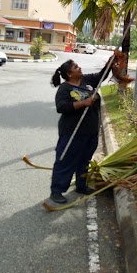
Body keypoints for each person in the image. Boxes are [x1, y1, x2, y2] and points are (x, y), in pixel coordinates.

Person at [49, 57, 113, 204]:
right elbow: (62, 107)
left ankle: (81, 186)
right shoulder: (65, 88)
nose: (79, 68)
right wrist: (83, 103)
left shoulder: (87, 81)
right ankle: (57, 190)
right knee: (65, 160)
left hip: (90, 130)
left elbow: (102, 75)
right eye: (76, 67)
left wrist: (112, 59)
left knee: (84, 160)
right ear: (70, 74)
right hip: (72, 132)